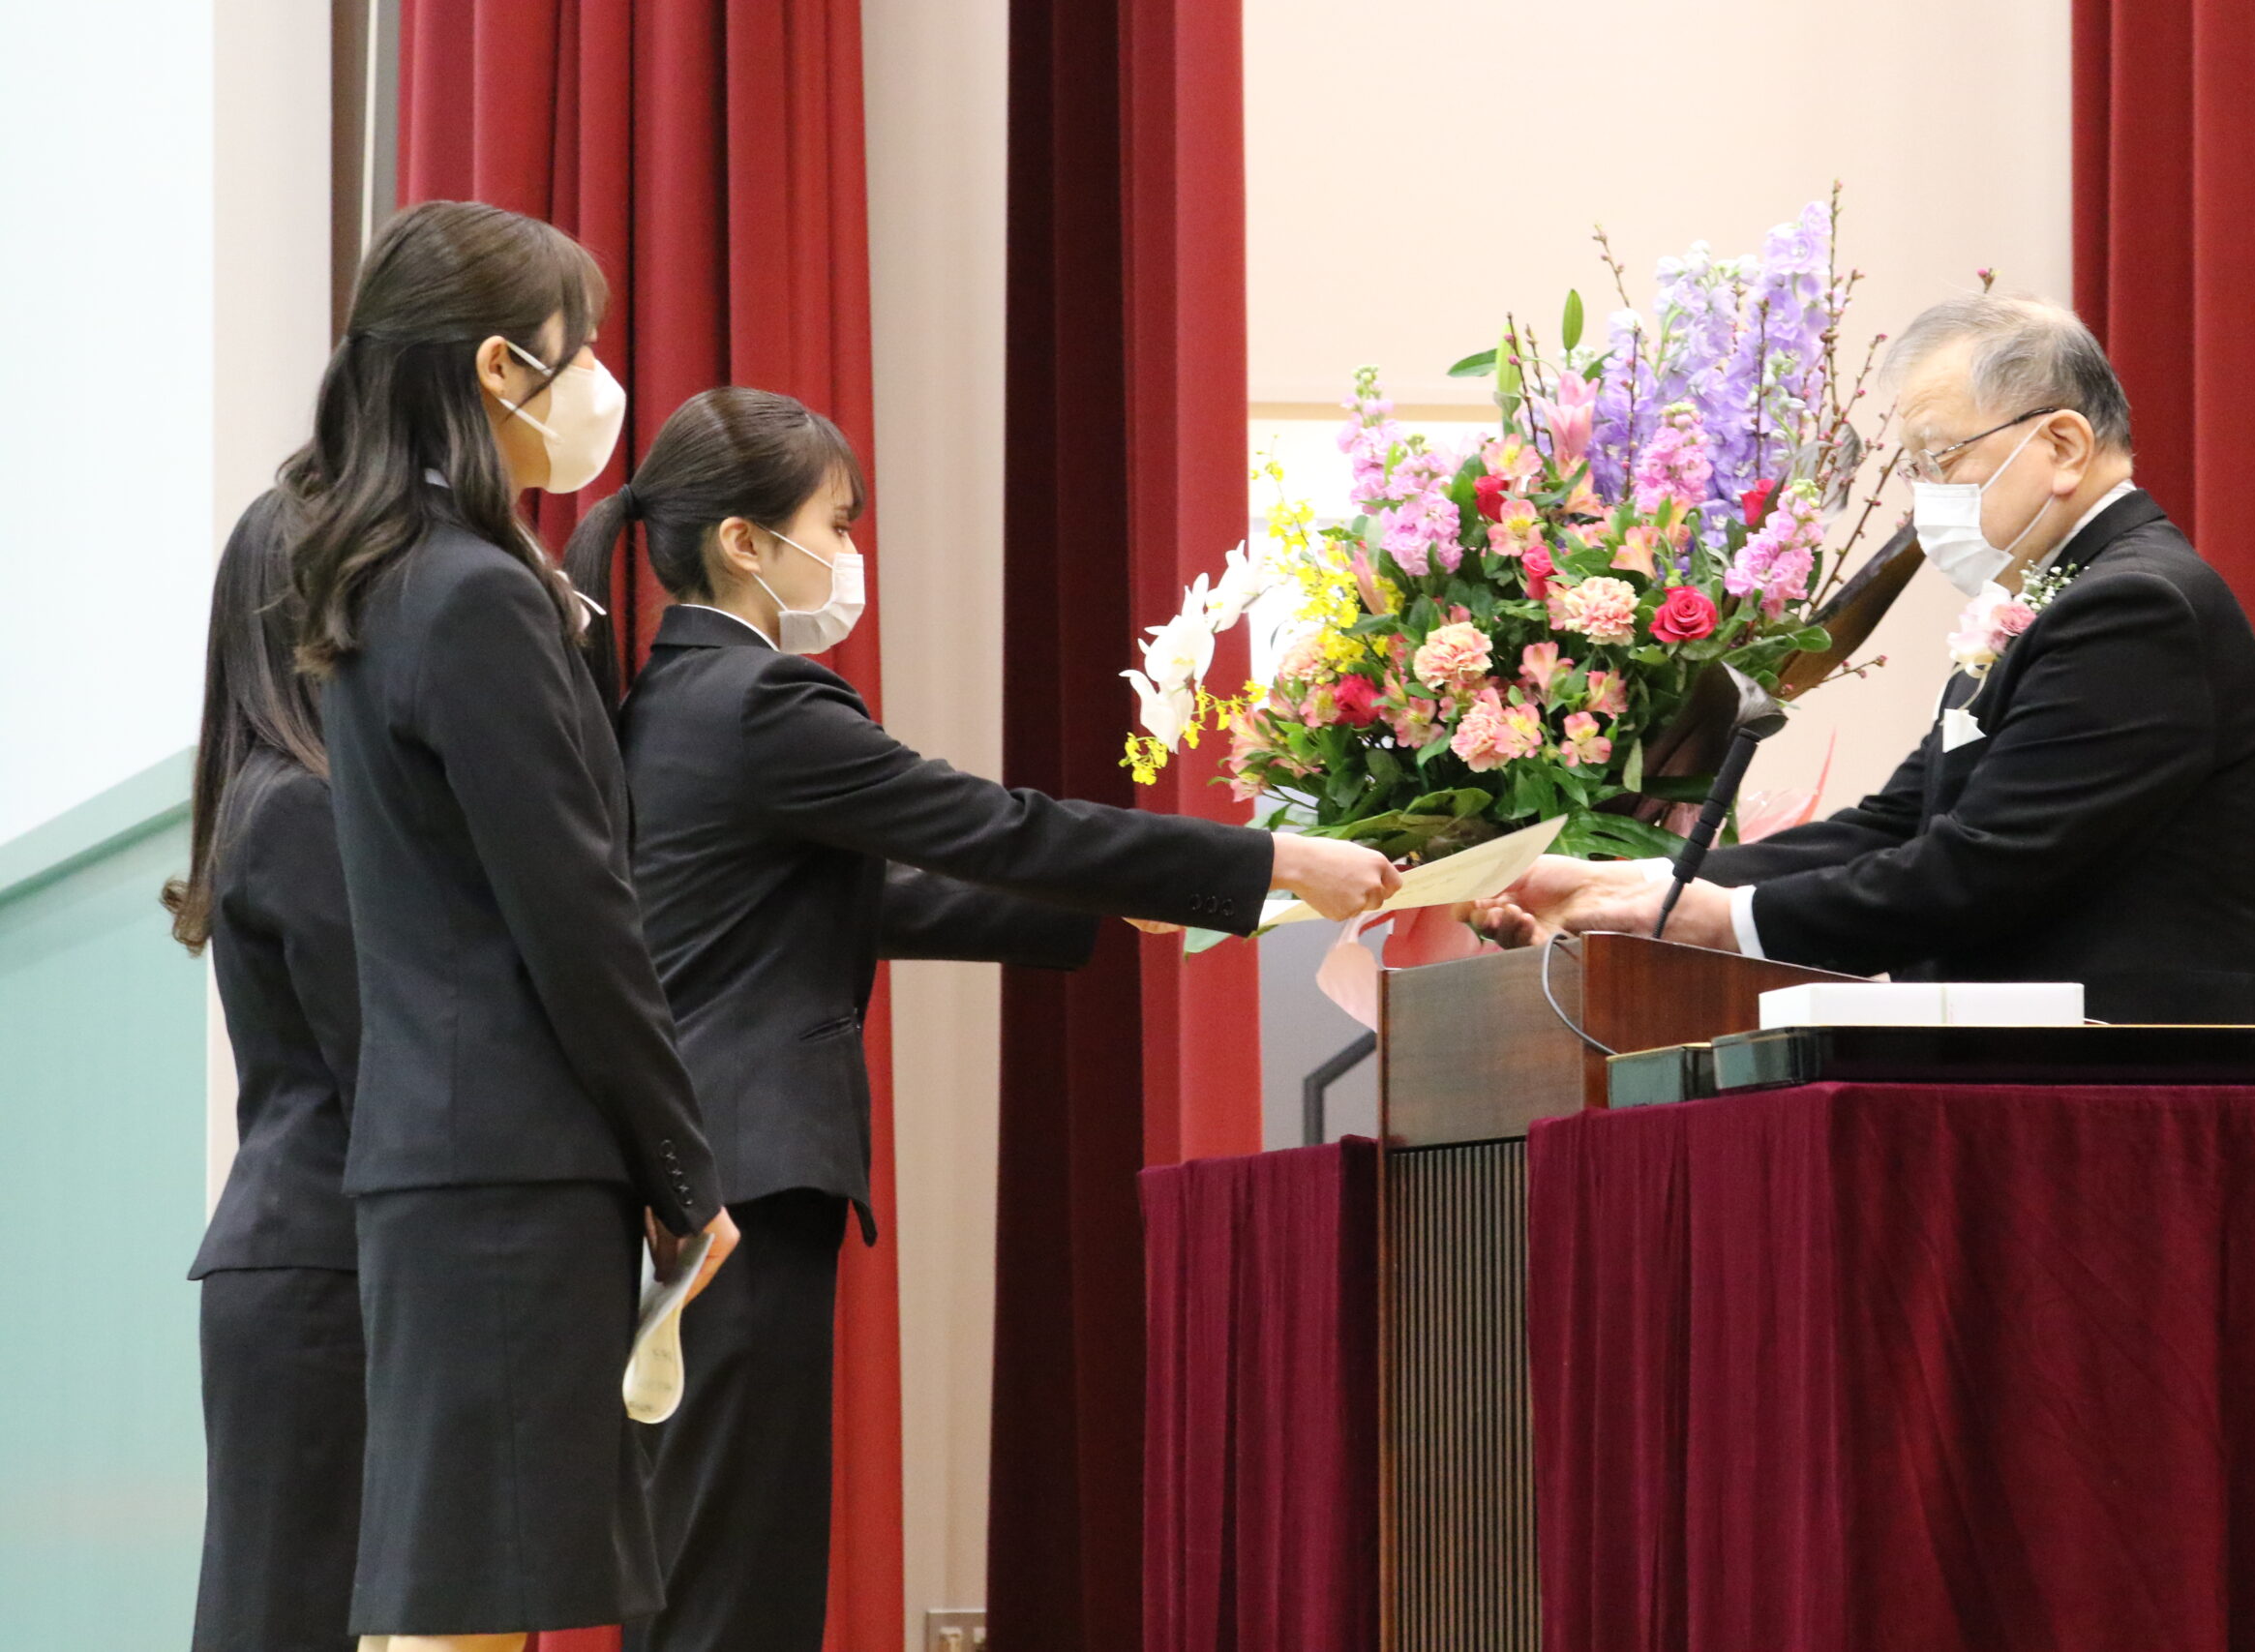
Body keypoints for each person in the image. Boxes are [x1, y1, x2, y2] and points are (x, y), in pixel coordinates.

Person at [560, 386, 1399, 1652]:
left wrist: (1119, 909)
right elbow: (999, 826)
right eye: (835, 522)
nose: (847, 554)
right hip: (749, 1168)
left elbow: (857, 902)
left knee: (714, 1545)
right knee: (738, 1567)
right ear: (744, 538)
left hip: (697, 1168)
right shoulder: (766, 705)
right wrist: (1268, 857)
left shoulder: (667, 699)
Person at [288, 199, 739, 1652]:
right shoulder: (479, 595)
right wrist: (682, 1164)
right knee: (471, 1615)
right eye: (580, 347)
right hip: (510, 1170)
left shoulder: (391, 579)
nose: (601, 375)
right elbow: (580, 915)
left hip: (446, 1163)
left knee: (450, 1604)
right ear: (498, 370)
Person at [1478, 295, 2255, 1026]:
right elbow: (1893, 826)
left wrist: (1723, 919)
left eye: (1940, 459)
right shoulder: (2046, 599)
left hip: (2154, 1071)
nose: (1924, 499)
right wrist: (1629, 882)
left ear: (2062, 445)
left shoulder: (2136, 607)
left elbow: (1985, 865)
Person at [167, 487, 367, 1652]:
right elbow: (379, 1053)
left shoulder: (274, 799)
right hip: (316, 1271)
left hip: (306, 1263)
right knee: (290, 1617)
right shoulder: (298, 807)